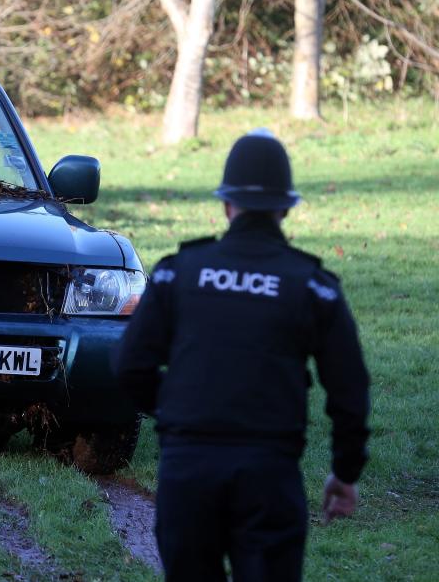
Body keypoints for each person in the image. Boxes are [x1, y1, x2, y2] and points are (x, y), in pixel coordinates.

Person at [113, 129, 371, 582]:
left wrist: (176, 413)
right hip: (269, 476)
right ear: (286, 207)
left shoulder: (180, 273)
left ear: (226, 204)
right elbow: (350, 390)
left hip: (187, 472)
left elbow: (129, 365)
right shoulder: (314, 287)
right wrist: (345, 473)